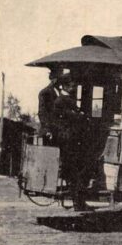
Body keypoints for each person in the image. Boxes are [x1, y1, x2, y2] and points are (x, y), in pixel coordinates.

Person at [53, 73, 91, 211]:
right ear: (65, 86)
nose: (74, 87)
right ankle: (78, 203)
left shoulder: (66, 99)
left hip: (73, 140)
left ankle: (79, 202)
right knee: (74, 172)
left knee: (76, 172)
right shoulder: (61, 101)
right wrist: (80, 116)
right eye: (72, 85)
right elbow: (68, 119)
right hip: (69, 141)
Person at [37, 69, 60, 145]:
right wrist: (47, 129)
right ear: (55, 80)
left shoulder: (60, 92)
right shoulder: (44, 93)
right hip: (49, 131)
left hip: (59, 130)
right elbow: (42, 112)